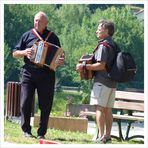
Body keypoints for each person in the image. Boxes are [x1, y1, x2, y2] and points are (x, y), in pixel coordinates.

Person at [12, 11, 64, 139]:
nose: (36, 23)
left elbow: (60, 56)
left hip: (47, 74)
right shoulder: (27, 35)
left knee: (45, 104)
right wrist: (24, 52)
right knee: (25, 102)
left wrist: (60, 61)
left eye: (39, 21)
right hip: (28, 72)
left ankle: (41, 133)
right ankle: (26, 131)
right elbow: (14, 53)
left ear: (46, 23)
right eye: (35, 20)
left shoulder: (53, 37)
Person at [76, 19, 117, 144]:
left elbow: (101, 65)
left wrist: (83, 67)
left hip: (102, 82)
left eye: (99, 29)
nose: (97, 31)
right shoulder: (114, 45)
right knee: (108, 110)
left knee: (99, 109)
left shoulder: (103, 46)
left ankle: (101, 137)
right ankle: (108, 136)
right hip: (112, 83)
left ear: (106, 31)